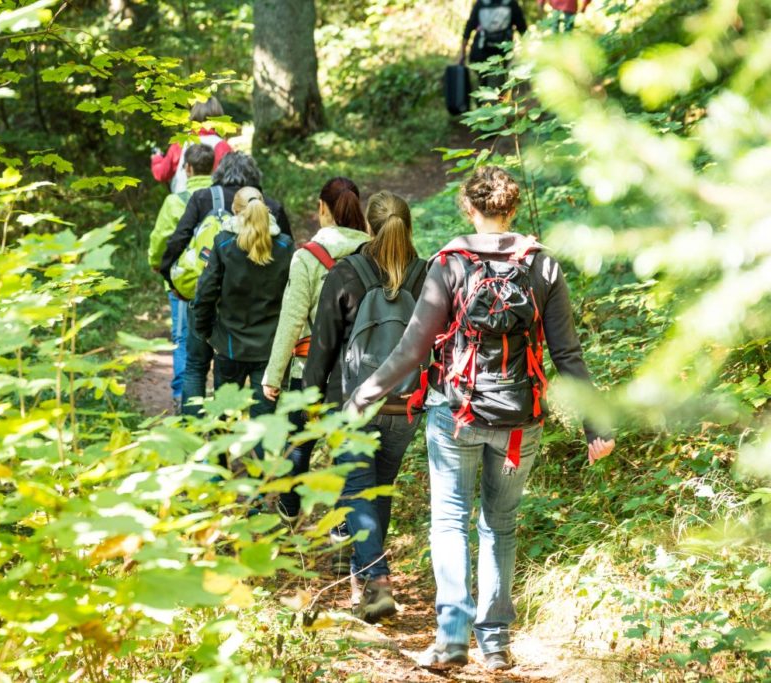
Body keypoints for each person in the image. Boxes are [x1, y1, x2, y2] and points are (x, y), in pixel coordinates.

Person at [346, 167, 615, 671]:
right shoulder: (542, 265)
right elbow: (567, 355)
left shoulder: (449, 264)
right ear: (511, 209)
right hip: (520, 420)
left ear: (468, 207)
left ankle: (451, 640)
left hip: (456, 414)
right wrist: (595, 426)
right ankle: (495, 644)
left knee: (450, 521)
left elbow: (412, 348)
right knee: (501, 526)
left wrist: (368, 391)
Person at [304, 191, 428, 624]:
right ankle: (364, 587)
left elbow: (321, 348)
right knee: (377, 491)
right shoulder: (425, 275)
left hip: (353, 403)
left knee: (357, 489)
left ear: (368, 228)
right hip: (405, 406)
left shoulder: (346, 274)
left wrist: (311, 402)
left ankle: (376, 583)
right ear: (407, 227)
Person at [261, 178, 370, 523]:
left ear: (322, 208)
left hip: (308, 366)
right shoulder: (374, 251)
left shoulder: (307, 257)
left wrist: (272, 375)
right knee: (347, 445)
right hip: (360, 367)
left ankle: (290, 511)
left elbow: (292, 320)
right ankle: (344, 522)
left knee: (300, 441)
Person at [160, 153, 293, 417]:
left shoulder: (204, 202)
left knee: (197, 368)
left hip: (215, 318)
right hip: (263, 333)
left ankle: (196, 438)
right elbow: (290, 277)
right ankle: (260, 455)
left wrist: (169, 275)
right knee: (263, 415)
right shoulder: (274, 213)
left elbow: (179, 240)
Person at [193, 186, 294, 459]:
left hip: (229, 344)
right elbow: (293, 298)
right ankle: (261, 494)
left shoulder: (224, 243)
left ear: (235, 211)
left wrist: (205, 331)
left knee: (223, 415)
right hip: (270, 350)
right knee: (264, 423)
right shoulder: (285, 246)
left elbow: (205, 293)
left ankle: (218, 478)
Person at [147, 144, 216, 409]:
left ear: (187, 168)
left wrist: (156, 263)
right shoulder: (219, 198)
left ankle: (181, 395)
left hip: (181, 282)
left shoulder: (174, 201)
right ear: (212, 167)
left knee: (181, 337)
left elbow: (161, 238)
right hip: (215, 278)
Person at [151, 96, 232, 194]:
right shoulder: (223, 146)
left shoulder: (180, 143)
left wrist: (157, 158)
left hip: (182, 202)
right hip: (213, 203)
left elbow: (162, 174)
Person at [458, 0, 528, 88]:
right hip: (503, 52)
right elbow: (523, 29)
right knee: (498, 81)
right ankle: (497, 97)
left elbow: (468, 28)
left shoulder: (481, 3)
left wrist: (463, 53)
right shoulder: (511, 3)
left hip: (480, 51)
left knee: (483, 81)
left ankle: (484, 97)